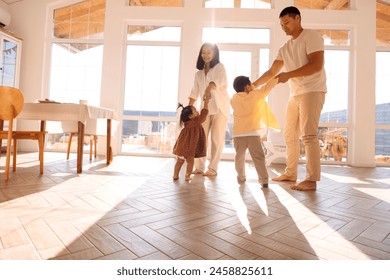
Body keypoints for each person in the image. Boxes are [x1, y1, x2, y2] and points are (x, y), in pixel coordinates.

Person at [252, 6, 327, 191]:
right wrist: (253, 86)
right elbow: (271, 72)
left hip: (313, 90)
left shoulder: (311, 36)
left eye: (286, 22)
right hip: (296, 93)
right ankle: (291, 173)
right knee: (289, 134)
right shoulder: (285, 48)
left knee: (308, 135)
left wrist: (289, 75)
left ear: (298, 19)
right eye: (281, 24)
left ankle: (311, 179)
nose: (283, 27)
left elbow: (316, 65)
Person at [188, 42, 230, 177]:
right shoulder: (198, 74)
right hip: (205, 110)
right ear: (201, 54)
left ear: (215, 53)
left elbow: (216, 82)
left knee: (216, 139)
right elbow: (194, 92)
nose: (206, 55)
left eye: (209, 52)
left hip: (220, 108)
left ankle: (213, 168)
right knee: (201, 138)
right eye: (204, 52)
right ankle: (199, 167)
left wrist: (208, 88)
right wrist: (189, 108)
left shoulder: (219, 67)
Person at [231, 76, 280, 187]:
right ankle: (264, 180)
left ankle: (241, 177)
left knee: (239, 157)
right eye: (250, 85)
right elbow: (267, 87)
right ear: (247, 86)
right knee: (259, 158)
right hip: (253, 133)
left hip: (238, 134)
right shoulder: (256, 95)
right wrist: (276, 79)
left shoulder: (233, 99)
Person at [172, 92, 211, 182]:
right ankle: (187, 175)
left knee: (179, 161)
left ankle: (175, 175)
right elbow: (204, 114)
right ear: (191, 116)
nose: (197, 111)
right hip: (190, 148)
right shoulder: (196, 121)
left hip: (182, 147)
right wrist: (206, 102)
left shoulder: (187, 123)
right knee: (190, 162)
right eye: (195, 110)